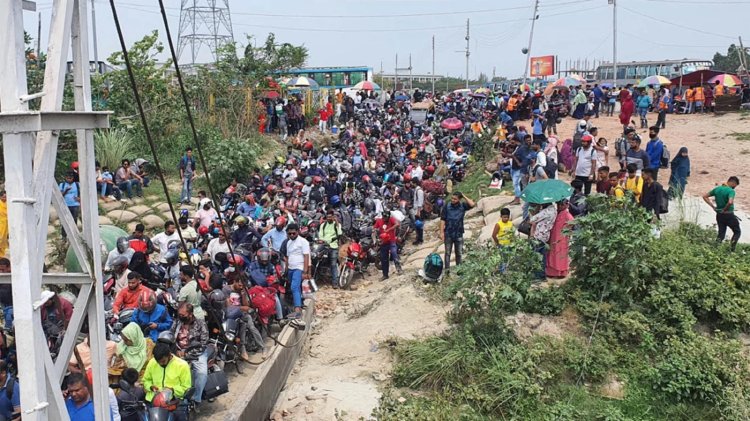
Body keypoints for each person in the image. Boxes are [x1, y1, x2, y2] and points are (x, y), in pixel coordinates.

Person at [170, 302, 209, 408]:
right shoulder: (177, 322)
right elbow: (171, 336)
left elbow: (203, 343)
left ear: (190, 314)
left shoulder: (201, 324)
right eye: (179, 314)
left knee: (201, 373)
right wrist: (175, 350)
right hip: (177, 351)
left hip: (197, 353)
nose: (181, 317)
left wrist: (187, 353)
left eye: (183, 315)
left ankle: (196, 399)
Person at [142, 343, 191, 421]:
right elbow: (145, 381)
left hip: (174, 402)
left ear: (169, 355)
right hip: (154, 401)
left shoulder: (182, 365)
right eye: (158, 362)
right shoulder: (152, 363)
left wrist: (172, 390)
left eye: (163, 361)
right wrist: (150, 387)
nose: (161, 364)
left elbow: (186, 387)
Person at [439, 191, 475, 273]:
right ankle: (447, 270)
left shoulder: (463, 206)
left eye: (455, 199)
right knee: (447, 253)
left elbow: (472, 204)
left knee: (459, 253)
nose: (452, 200)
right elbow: (442, 219)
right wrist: (441, 232)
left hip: (459, 233)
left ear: (459, 199)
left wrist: (464, 195)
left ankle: (459, 270)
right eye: (452, 198)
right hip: (448, 233)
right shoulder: (447, 206)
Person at [703, 176, 741, 251]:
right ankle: (731, 250)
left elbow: (705, 196)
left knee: (721, 234)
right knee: (737, 232)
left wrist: (713, 207)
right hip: (729, 215)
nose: (734, 188)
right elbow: (730, 202)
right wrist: (724, 209)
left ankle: (715, 249)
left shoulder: (717, 189)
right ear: (733, 182)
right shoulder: (730, 191)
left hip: (719, 215)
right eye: (735, 186)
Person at [280, 223, 310, 319]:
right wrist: (286, 269)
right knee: (294, 288)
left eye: (293, 233)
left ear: (298, 232)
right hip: (291, 268)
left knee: (294, 287)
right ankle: (299, 304)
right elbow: (288, 257)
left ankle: (297, 311)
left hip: (299, 267)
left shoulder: (303, 242)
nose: (292, 235)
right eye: (290, 234)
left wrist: (305, 271)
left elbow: (306, 256)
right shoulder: (288, 243)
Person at [546, 200, 574, 278]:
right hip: (553, 237)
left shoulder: (566, 214)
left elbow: (572, 221)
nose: (560, 206)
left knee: (560, 255)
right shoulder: (556, 212)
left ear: (566, 205)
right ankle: (552, 272)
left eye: (562, 205)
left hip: (562, 238)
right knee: (552, 254)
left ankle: (561, 272)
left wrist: (566, 230)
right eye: (558, 205)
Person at [529, 203, 557, 280]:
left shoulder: (545, 212)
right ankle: (542, 275)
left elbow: (531, 220)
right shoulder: (554, 210)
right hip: (545, 236)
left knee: (536, 256)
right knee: (543, 257)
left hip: (538, 236)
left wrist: (537, 208)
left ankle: (537, 276)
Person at [374, 209, 402, 280]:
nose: (385, 219)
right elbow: (374, 228)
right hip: (383, 243)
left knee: (394, 253)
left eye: (386, 217)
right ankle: (385, 275)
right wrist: (375, 234)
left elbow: (397, 224)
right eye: (384, 217)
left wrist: (389, 229)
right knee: (384, 259)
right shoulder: (379, 221)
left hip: (391, 241)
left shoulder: (391, 219)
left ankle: (399, 269)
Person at [317, 210, 342, 288]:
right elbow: (320, 235)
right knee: (316, 257)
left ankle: (335, 282)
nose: (328, 218)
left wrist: (337, 223)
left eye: (330, 217)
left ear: (333, 217)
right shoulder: (323, 225)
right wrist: (322, 240)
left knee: (333, 264)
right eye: (327, 217)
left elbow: (340, 234)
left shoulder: (336, 225)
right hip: (324, 245)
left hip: (333, 246)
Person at [59, 171, 81, 237]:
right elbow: (59, 195)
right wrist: (66, 191)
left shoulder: (77, 184)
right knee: (65, 221)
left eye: (70, 178)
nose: (69, 179)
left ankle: (74, 235)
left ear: (73, 178)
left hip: (75, 205)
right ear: (65, 178)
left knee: (74, 220)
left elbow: (83, 193)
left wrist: (80, 198)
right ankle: (64, 236)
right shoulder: (62, 185)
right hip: (65, 205)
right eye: (67, 178)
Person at [0, 191, 6, 257]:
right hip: (1, 224)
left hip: (6, 225)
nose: (5, 198)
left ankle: (2, 255)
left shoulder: (8, 204)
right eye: (3, 197)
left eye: (6, 197)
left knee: (3, 241)